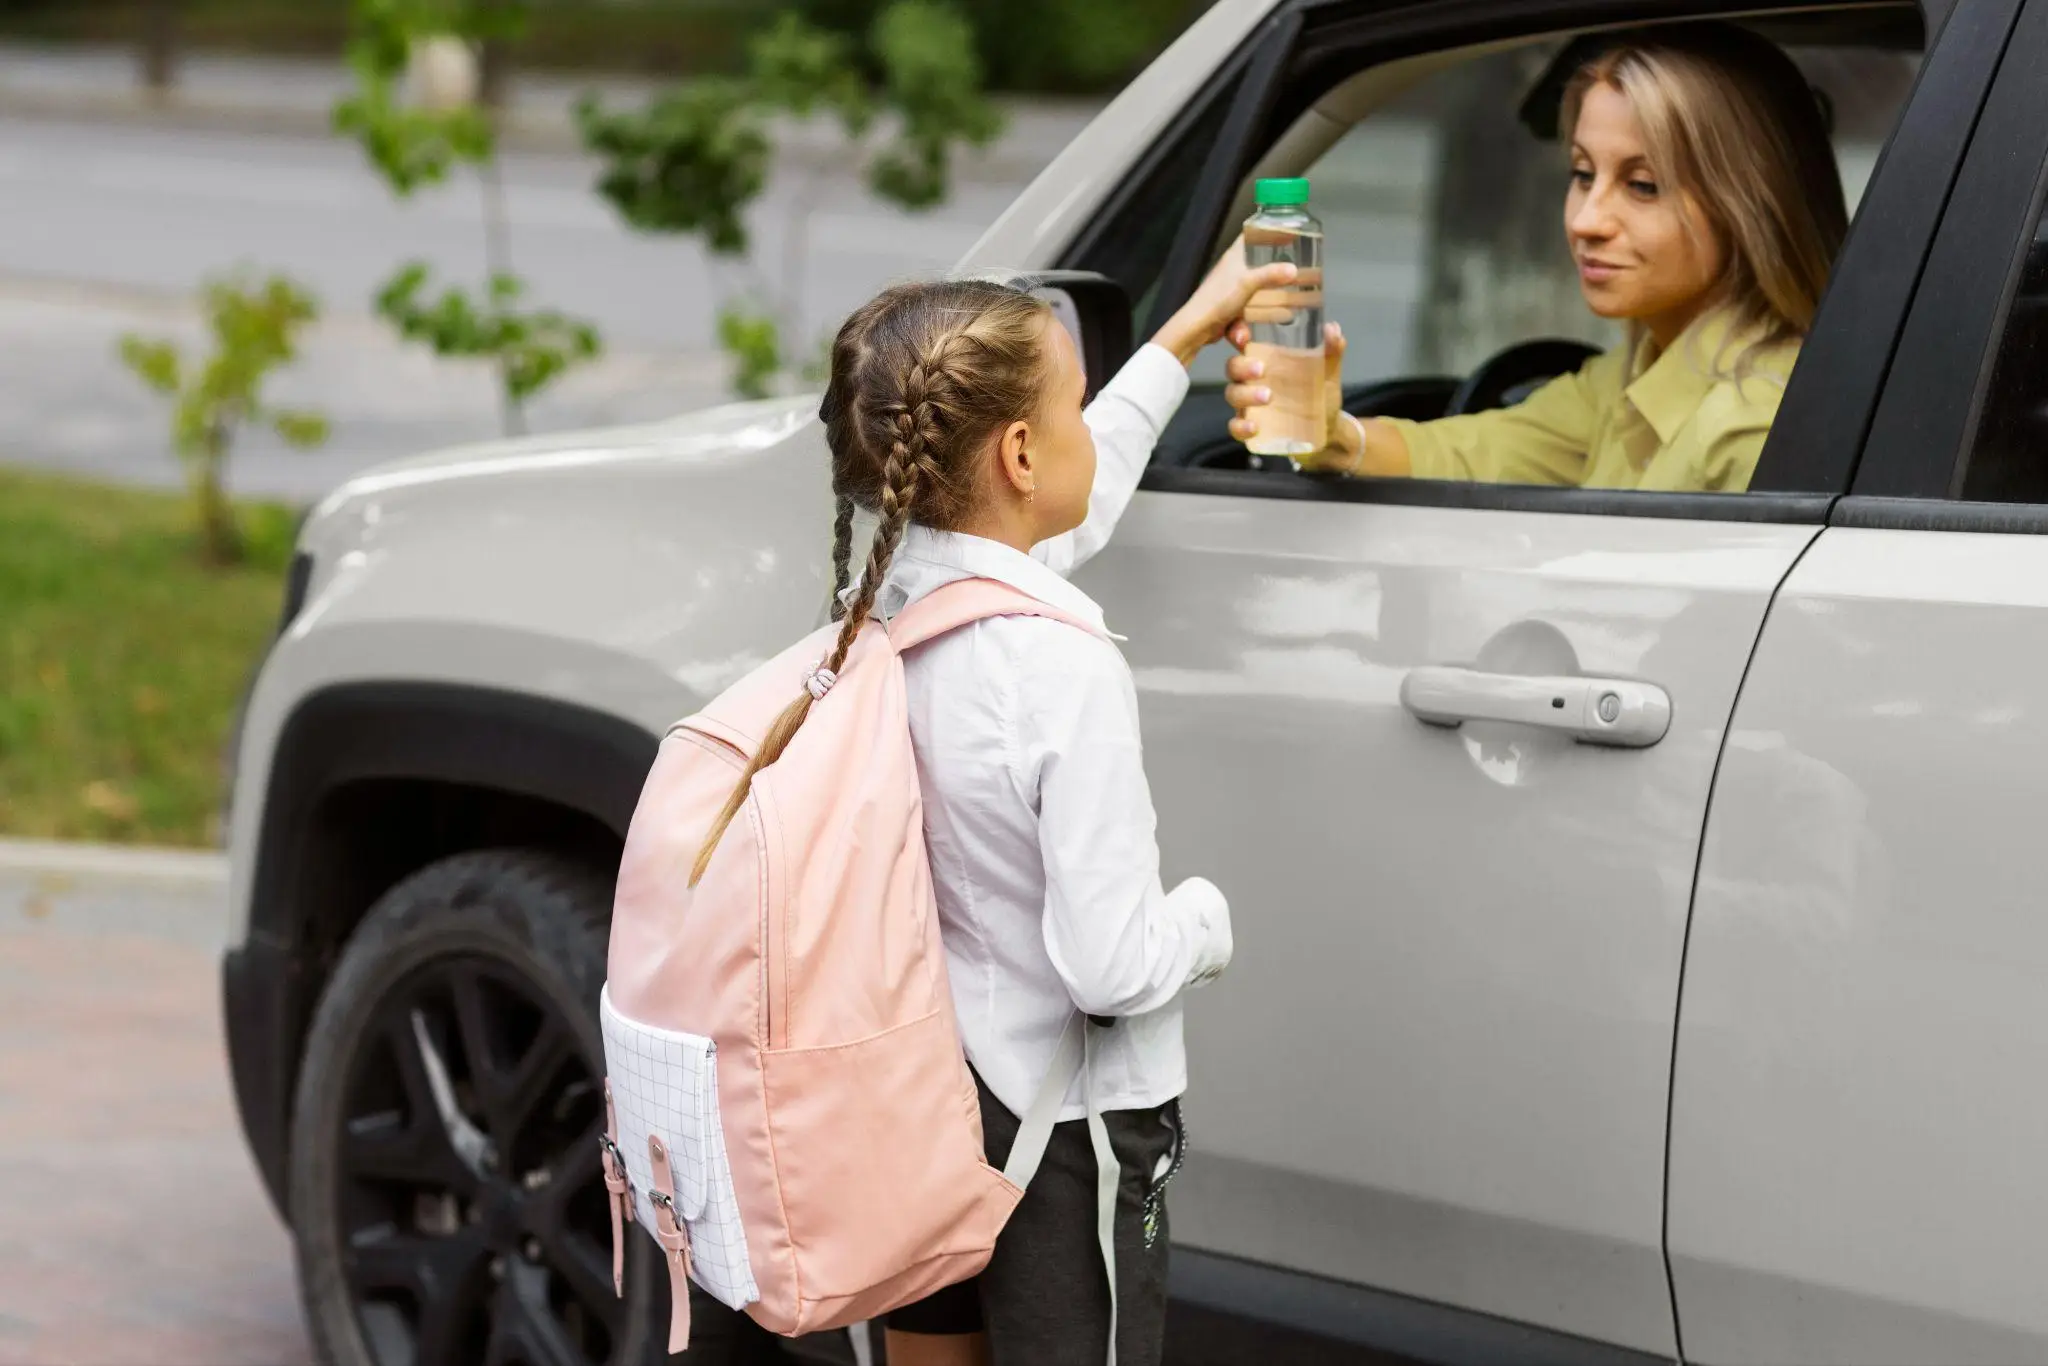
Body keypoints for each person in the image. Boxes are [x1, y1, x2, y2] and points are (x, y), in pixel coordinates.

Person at [805, 251, 1291, 1366]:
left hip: (922, 1093)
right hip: (1067, 1133)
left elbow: (1063, 500)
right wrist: (1208, 921)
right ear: (1018, 453)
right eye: (1070, 403)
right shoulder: (1057, 664)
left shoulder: (880, 605)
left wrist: (1183, 336)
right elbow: (1113, 968)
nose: (1083, 424)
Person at [1225, 23, 1849, 493]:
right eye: (1582, 174)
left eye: (1643, 185)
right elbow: (1478, 450)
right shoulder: (1635, 373)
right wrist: (1332, 434)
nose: (1585, 222)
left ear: (1748, 207)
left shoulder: (1753, 429)